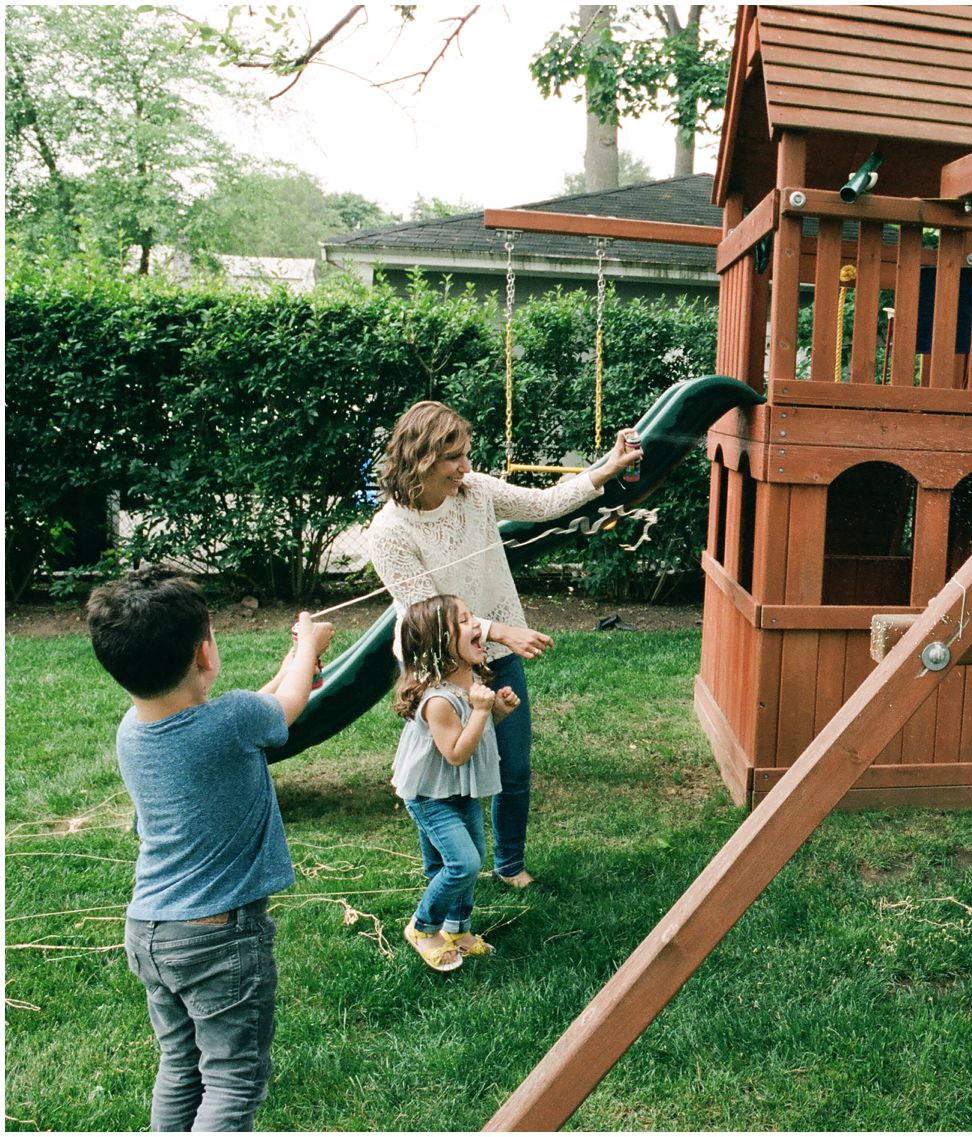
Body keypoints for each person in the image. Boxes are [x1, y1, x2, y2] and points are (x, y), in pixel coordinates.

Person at [88, 567, 333, 1131]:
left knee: (181, 1066)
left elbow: (255, 708)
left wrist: (294, 665)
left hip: (151, 930)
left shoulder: (133, 729)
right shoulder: (231, 721)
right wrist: (308, 644)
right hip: (218, 937)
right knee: (233, 1077)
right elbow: (282, 705)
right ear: (206, 654)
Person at [366, 400, 642, 890]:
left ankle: (509, 864)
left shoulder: (476, 492)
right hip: (438, 664)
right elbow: (430, 614)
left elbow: (543, 505)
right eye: (454, 458)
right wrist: (499, 630)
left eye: (466, 454)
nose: (466, 468)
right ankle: (443, 874)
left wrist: (609, 468)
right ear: (422, 458)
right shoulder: (388, 531)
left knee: (512, 765)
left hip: (496, 654)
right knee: (443, 771)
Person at [391, 594, 518, 972]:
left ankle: (458, 930)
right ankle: (422, 927)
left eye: (471, 617)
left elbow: (471, 736)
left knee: (467, 860)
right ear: (438, 642)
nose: (476, 625)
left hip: (459, 790)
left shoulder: (473, 682)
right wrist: (481, 710)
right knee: (463, 863)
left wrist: (495, 713)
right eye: (463, 621)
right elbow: (456, 753)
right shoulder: (438, 701)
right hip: (430, 796)